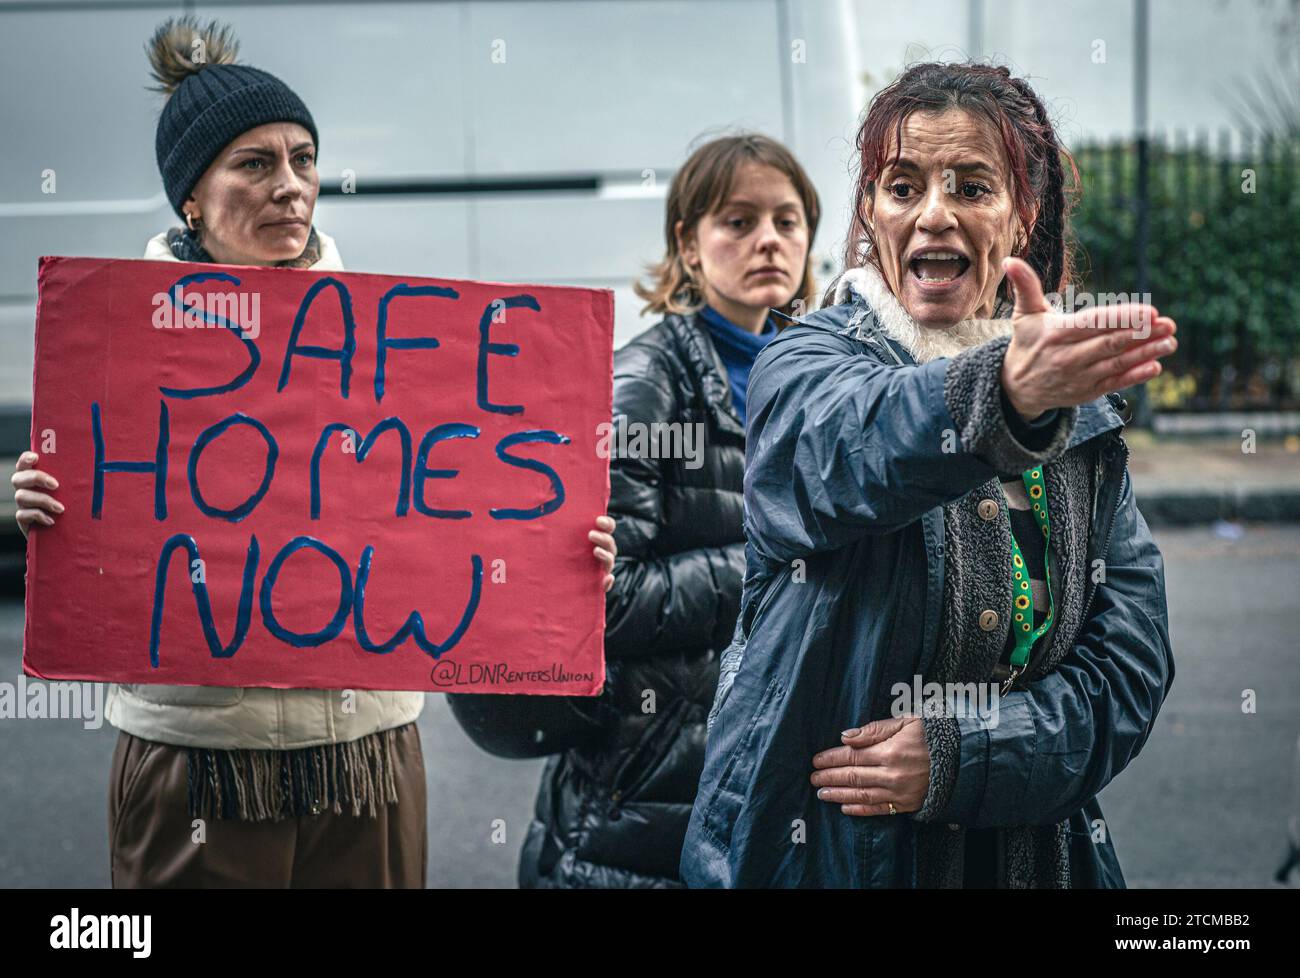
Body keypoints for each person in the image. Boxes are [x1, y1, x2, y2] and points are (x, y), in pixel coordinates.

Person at [10, 16, 616, 888]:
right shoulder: (114, 358)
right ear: (190, 196)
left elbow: (469, 509)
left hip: (364, 752)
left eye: (303, 158)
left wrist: (562, 546)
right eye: (254, 164)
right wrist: (50, 506)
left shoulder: (396, 350)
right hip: (200, 759)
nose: (291, 186)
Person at [682, 62, 1178, 888]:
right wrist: (1005, 398)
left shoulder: (1082, 417)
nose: (933, 212)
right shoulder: (802, 361)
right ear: (871, 216)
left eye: (972, 186)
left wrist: (962, 756)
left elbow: (1129, 670)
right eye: (902, 186)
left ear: (1022, 219)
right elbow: (849, 451)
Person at [447, 133, 821, 886]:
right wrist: (774, 567)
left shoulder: (823, 373)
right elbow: (607, 597)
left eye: (787, 220)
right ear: (687, 245)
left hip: (770, 787)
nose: (768, 241)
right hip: (640, 802)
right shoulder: (646, 383)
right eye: (738, 222)